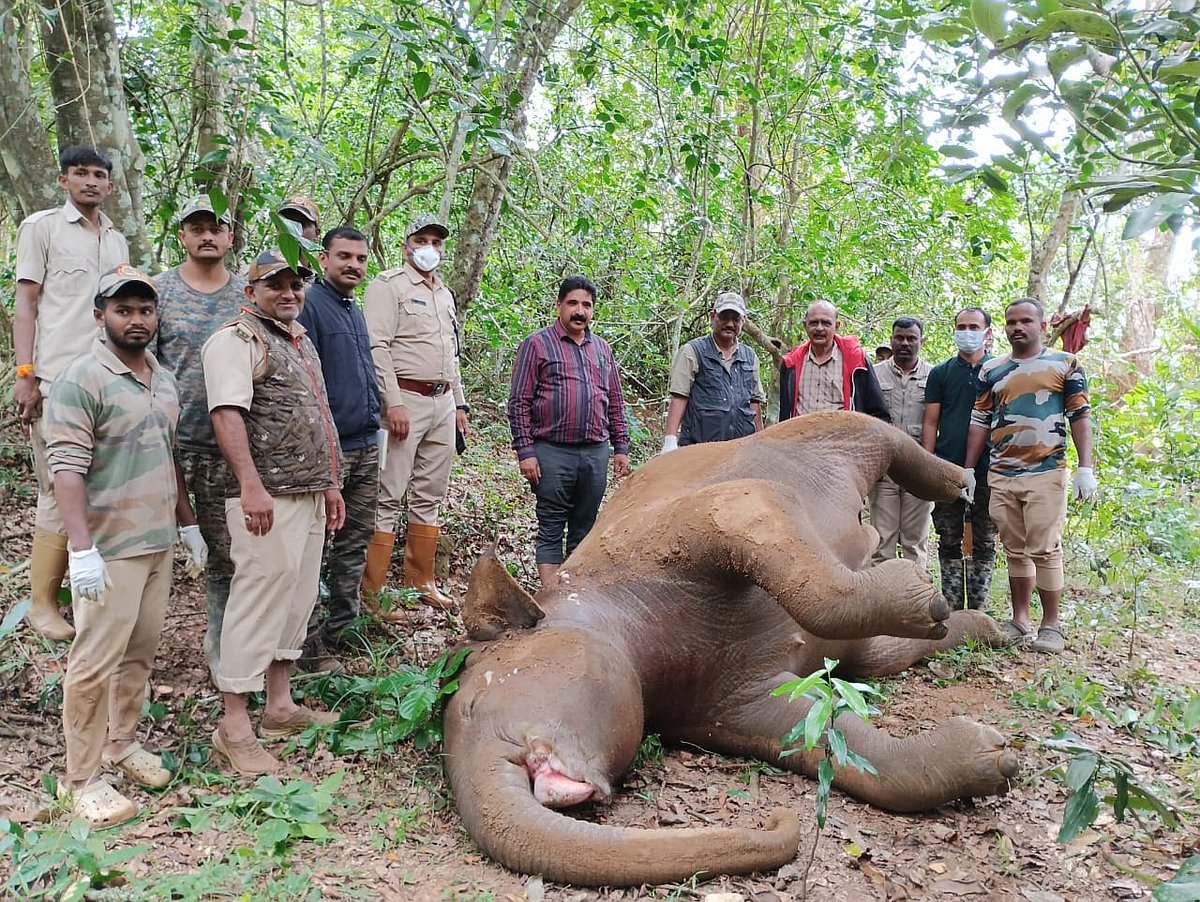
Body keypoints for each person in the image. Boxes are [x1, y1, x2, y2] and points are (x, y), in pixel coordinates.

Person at [45, 266, 206, 827]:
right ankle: (82, 778)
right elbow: (66, 469)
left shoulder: (162, 378)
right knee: (94, 663)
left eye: (145, 310)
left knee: (138, 654)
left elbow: (169, 455)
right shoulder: (82, 379)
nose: (136, 320)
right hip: (109, 547)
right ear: (100, 316)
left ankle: (121, 743)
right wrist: (81, 549)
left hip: (156, 541)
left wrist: (188, 525)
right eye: (123, 310)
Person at [201, 250, 344, 774]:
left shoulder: (297, 338)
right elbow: (227, 414)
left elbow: (317, 415)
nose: (288, 292)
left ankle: (279, 707)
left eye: (295, 284)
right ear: (250, 292)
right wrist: (251, 485)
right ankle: (234, 726)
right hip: (267, 497)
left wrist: (330, 484)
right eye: (275, 285)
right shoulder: (237, 340)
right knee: (256, 602)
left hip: (307, 494)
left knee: (296, 599)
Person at [13, 145, 129, 641]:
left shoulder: (116, 240)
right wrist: (25, 373)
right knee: (58, 488)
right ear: (64, 180)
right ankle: (42, 604)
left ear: (110, 185)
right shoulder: (42, 228)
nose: (90, 181)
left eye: (99, 175)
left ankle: (88, 597)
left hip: (108, 378)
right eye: (81, 173)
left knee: (100, 486)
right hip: (57, 378)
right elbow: (27, 303)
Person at [962, 298, 1096, 654]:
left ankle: (1051, 625)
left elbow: (1080, 415)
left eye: (1025, 321)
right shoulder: (991, 370)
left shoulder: (1065, 364)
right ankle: (1020, 620)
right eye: (1011, 322)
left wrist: (1086, 468)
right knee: (1015, 548)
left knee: (1045, 548)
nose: (1017, 327)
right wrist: (969, 469)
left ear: (1041, 326)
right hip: (1002, 472)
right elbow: (980, 420)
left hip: (1046, 471)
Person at [152, 194, 245, 678]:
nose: (207, 236)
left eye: (216, 228)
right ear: (182, 236)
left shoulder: (248, 292)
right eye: (197, 228)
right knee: (171, 554)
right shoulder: (159, 291)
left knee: (232, 555)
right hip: (174, 446)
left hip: (235, 448)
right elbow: (142, 365)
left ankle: (227, 648)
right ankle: (143, 658)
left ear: (230, 236)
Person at [362, 214, 470, 610]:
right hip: (406, 399)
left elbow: (451, 353)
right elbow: (377, 347)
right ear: (405, 245)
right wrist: (393, 402)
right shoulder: (387, 285)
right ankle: (372, 590)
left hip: (443, 402)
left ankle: (421, 581)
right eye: (421, 240)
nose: (429, 248)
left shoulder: (444, 294)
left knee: (430, 493)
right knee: (388, 492)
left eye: (436, 242)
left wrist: (459, 403)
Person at [508, 275, 631, 587]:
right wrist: (525, 452)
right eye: (573, 303)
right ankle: (551, 598)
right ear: (559, 306)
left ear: (593, 310)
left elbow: (615, 400)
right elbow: (519, 402)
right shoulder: (537, 345)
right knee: (551, 525)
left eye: (587, 305)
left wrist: (621, 447)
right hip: (552, 451)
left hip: (594, 452)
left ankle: (574, 596)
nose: (580, 311)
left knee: (585, 528)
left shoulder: (601, 349)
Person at [295, 227, 380, 671]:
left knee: (355, 540)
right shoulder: (310, 304)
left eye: (361, 258)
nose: (354, 265)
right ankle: (307, 642)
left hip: (366, 443)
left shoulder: (354, 308)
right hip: (330, 449)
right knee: (316, 545)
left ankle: (344, 627)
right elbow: (305, 380)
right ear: (324, 259)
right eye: (344, 256)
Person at [921, 307, 998, 610]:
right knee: (949, 536)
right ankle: (953, 608)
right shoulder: (941, 373)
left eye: (974, 327)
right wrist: (928, 464)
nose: (967, 332)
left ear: (987, 332)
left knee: (985, 537)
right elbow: (931, 422)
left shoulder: (999, 370)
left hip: (990, 467)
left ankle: (978, 610)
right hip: (947, 467)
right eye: (961, 326)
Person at [660, 291, 765, 452]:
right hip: (700, 447)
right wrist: (670, 440)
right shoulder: (692, 351)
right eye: (724, 317)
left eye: (735, 319)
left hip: (740, 448)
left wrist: (761, 441)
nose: (730, 324)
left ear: (743, 320)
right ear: (712, 316)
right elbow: (679, 396)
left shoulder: (750, 357)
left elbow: (754, 403)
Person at [869, 316, 933, 567]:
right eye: (899, 338)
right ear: (891, 340)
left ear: (921, 342)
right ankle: (883, 592)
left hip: (919, 470)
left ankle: (915, 591)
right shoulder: (873, 374)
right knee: (881, 543)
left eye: (911, 338)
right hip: (884, 470)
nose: (905, 343)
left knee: (915, 543)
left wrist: (930, 467)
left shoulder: (934, 375)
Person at [778, 300, 889, 422]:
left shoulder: (856, 360)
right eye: (814, 323)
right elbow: (785, 414)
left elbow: (878, 410)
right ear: (805, 325)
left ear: (836, 326)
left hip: (842, 432)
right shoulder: (791, 363)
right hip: (801, 432)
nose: (819, 328)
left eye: (826, 323)